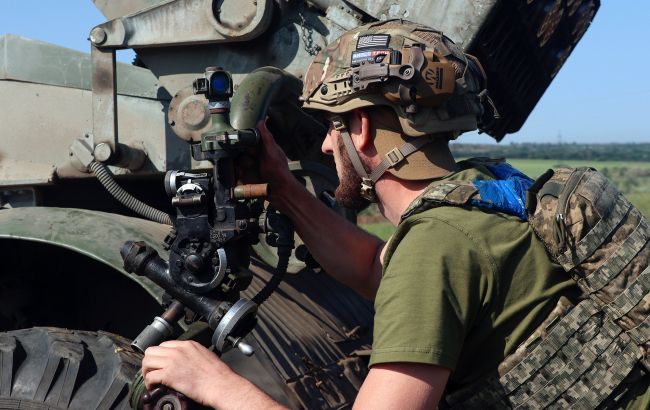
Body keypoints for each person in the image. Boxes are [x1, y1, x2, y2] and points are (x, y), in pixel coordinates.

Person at [141, 21, 650, 409]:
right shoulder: (487, 191)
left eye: (332, 126)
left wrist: (219, 385)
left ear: (361, 127)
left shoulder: (436, 245)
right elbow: (375, 269)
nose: (326, 144)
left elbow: (417, 270)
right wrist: (284, 189)